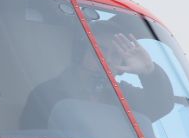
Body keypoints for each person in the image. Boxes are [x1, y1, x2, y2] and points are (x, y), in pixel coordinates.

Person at [20, 19, 174, 130]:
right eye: (98, 51)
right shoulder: (46, 94)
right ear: (80, 54)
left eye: (115, 55)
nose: (106, 60)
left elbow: (161, 105)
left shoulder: (124, 96)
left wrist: (149, 71)